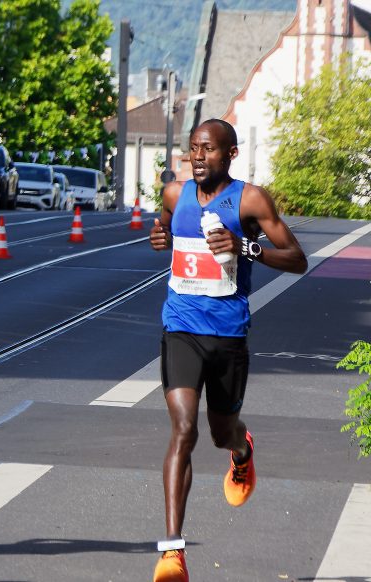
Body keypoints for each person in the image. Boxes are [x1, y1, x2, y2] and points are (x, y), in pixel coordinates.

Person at [148, 118, 307, 581]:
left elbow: (297, 259)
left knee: (220, 433)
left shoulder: (250, 200)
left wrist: (247, 248)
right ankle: (173, 551)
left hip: (229, 336)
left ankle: (242, 450)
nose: (199, 156)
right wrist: (159, 238)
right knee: (183, 430)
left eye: (209, 149)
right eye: (193, 148)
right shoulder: (175, 195)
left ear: (230, 154)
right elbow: (165, 231)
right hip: (180, 327)